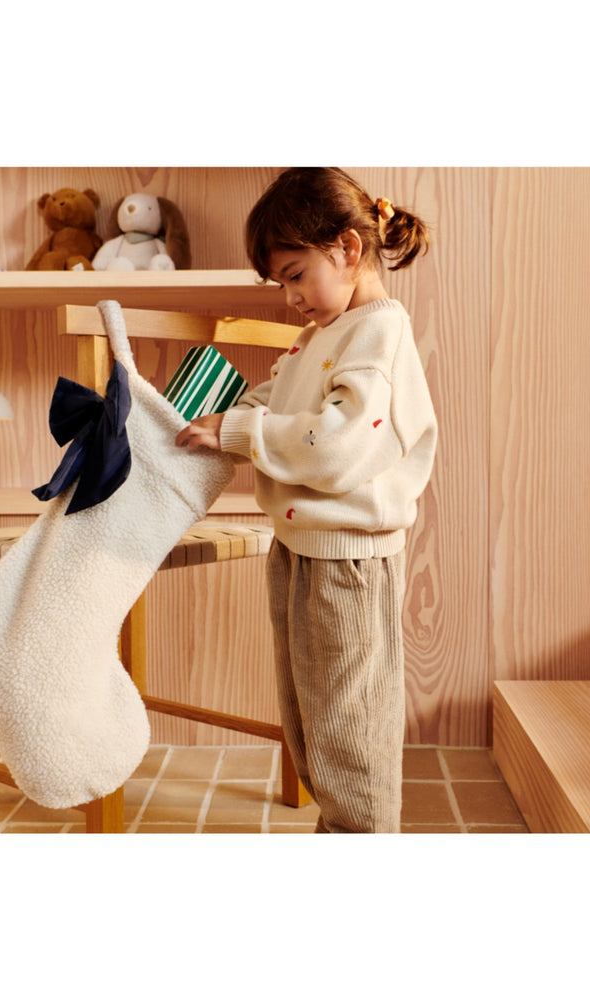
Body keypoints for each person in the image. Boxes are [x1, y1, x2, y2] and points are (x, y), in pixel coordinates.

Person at [176, 168, 437, 832]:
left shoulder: (377, 334)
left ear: (348, 248)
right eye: (281, 283)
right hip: (300, 549)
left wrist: (237, 431)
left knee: (349, 728)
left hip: (348, 561)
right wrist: (222, 419)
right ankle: (341, 824)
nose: (290, 297)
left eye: (296, 275)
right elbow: (283, 399)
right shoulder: (325, 333)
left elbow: (337, 445)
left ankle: (360, 834)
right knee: (313, 720)